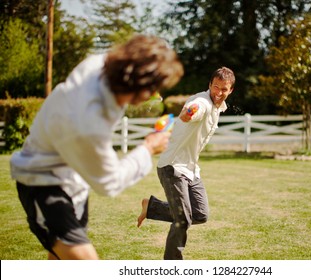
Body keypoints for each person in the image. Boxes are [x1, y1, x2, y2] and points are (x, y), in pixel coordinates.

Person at [9, 34, 184, 260]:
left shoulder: (100, 65)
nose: (154, 95)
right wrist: (148, 147)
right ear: (141, 86)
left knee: (60, 261)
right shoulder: (88, 122)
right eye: (154, 88)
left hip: (72, 182)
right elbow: (108, 183)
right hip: (43, 184)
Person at [137, 67, 235, 260]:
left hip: (190, 168)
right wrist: (189, 112)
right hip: (172, 166)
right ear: (209, 85)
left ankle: (152, 207)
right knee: (182, 219)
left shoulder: (219, 108)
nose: (219, 93)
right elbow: (194, 109)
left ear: (231, 90)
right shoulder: (202, 102)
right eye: (216, 87)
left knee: (200, 214)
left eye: (224, 89)